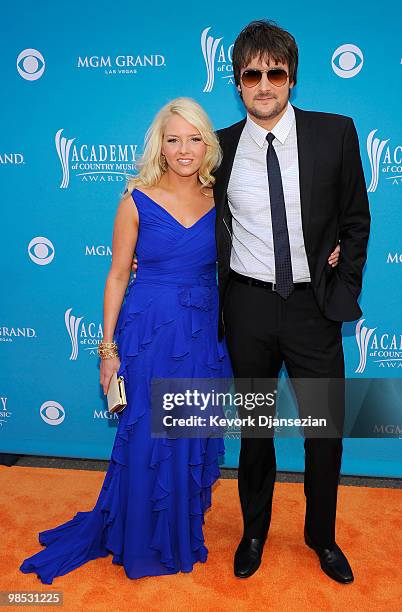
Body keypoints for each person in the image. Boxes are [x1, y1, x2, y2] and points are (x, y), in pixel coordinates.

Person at [19, 97, 233, 583]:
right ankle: (139, 535)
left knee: (188, 432)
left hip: (202, 334)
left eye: (194, 138)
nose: (184, 149)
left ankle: (178, 527)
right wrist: (108, 350)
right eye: (174, 139)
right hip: (150, 331)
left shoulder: (221, 199)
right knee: (148, 435)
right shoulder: (135, 199)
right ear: (160, 146)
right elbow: (117, 276)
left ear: (207, 144)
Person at [213, 20, 370, 583]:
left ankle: (321, 537)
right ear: (237, 82)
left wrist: (342, 287)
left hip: (313, 308)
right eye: (251, 73)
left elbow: (356, 221)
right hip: (249, 309)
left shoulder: (335, 133)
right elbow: (188, 209)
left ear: (291, 77)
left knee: (324, 432)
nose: (263, 84)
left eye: (274, 72)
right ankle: (254, 530)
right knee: (255, 431)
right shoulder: (220, 147)